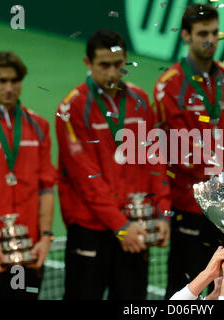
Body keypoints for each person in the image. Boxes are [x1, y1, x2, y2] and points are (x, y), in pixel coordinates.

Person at [153, 3, 224, 299]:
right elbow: (175, 149)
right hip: (191, 207)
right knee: (189, 284)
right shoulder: (170, 86)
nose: (210, 40)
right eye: (203, 33)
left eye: (215, 33)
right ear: (186, 36)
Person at [56, 29, 171, 300]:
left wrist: (163, 212)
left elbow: (155, 161)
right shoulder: (71, 108)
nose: (112, 73)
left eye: (118, 65)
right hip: (91, 229)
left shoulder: (140, 101)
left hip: (135, 226)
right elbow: (87, 180)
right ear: (88, 64)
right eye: (103, 65)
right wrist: (120, 225)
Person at [0, 51, 57, 300]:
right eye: (1, 81)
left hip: (28, 252)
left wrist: (45, 238)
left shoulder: (38, 126)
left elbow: (46, 186)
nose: (9, 87)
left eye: (14, 81)